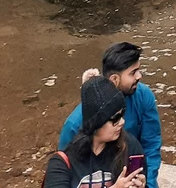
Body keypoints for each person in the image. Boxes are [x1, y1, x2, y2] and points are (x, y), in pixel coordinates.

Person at [58, 43, 161, 188]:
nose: (139, 76)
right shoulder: (74, 124)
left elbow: (151, 145)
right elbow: (64, 168)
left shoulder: (143, 96)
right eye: (133, 72)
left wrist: (148, 185)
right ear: (114, 79)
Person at [44, 76, 147, 188]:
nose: (122, 121)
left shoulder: (131, 147)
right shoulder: (62, 163)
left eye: (122, 114)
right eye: (115, 118)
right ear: (96, 123)